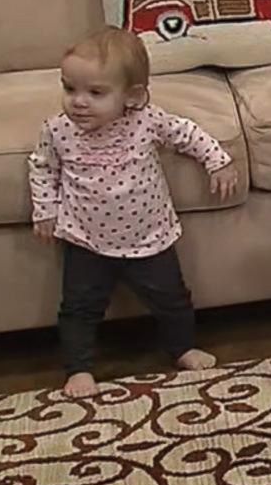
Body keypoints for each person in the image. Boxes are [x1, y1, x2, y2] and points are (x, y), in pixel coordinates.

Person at [28, 30, 241, 397]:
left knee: (173, 299)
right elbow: (42, 167)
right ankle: (79, 369)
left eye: (95, 93)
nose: (78, 102)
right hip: (86, 239)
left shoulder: (146, 120)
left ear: (133, 96)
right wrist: (45, 211)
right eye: (69, 89)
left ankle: (182, 347)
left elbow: (187, 133)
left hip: (150, 236)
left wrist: (217, 161)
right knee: (79, 308)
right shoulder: (58, 130)